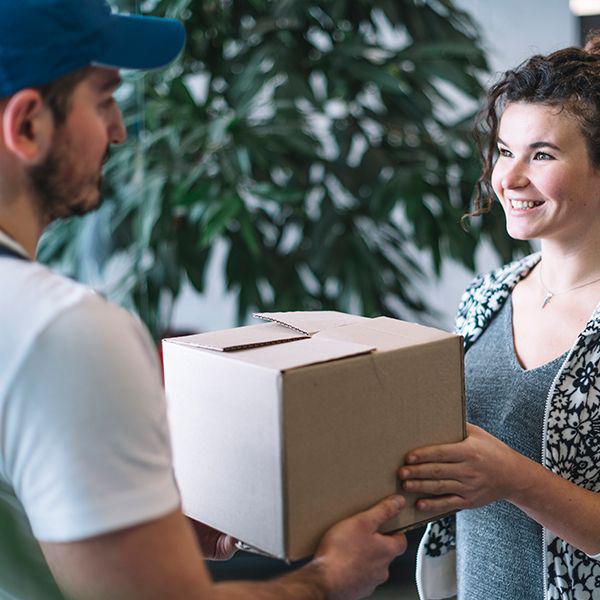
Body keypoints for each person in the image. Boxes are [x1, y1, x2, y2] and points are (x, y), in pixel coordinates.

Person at [0, 1, 408, 598]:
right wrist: (328, 577)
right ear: (28, 125)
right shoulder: (60, 331)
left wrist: (127, 525)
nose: (117, 130)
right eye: (103, 98)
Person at [396, 34, 600, 599]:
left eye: (542, 154)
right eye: (505, 151)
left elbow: (501, 475)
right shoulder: (484, 298)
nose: (507, 179)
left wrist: (513, 479)